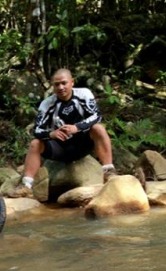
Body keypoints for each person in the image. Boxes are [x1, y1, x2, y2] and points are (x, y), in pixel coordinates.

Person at [7, 68, 117, 198]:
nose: (61, 87)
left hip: (82, 144)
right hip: (60, 148)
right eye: (57, 84)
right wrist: (51, 134)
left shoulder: (84, 94)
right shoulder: (47, 104)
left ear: (72, 82)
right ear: (52, 86)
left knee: (98, 128)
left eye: (64, 83)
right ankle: (26, 186)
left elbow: (96, 116)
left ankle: (108, 171)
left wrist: (77, 127)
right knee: (35, 144)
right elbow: (37, 130)